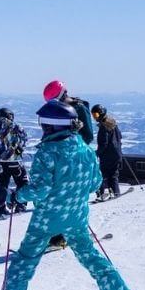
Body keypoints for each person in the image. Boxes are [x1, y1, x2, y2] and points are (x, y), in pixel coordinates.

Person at [0, 98, 142, 290]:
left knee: (25, 259)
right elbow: (95, 183)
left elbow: (40, 190)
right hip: (76, 215)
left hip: (47, 217)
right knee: (88, 253)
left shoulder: (47, 152)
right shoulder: (85, 149)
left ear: (50, 126)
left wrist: (17, 195)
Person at [42, 80, 94, 248]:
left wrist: (72, 136)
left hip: (75, 158)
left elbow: (88, 136)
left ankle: (65, 235)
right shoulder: (63, 110)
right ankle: (59, 235)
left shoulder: (79, 109)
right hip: (63, 157)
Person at [92, 104, 123, 200]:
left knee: (102, 174)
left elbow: (103, 144)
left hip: (108, 155)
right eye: (93, 115)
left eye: (96, 115)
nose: (95, 117)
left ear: (101, 113)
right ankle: (115, 192)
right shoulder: (113, 123)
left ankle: (102, 194)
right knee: (113, 174)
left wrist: (96, 153)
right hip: (117, 153)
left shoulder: (104, 127)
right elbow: (119, 136)